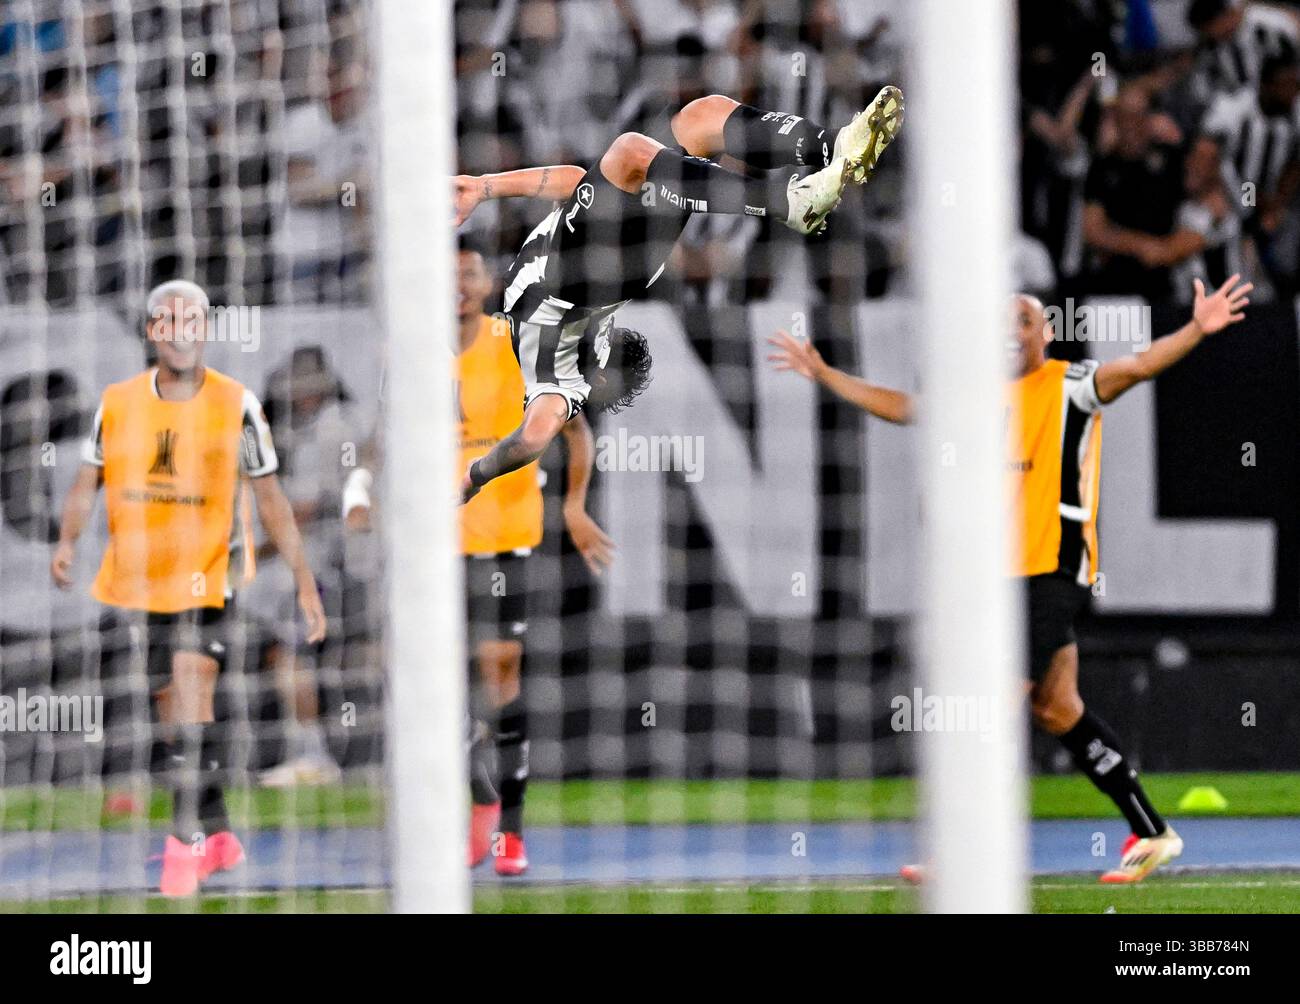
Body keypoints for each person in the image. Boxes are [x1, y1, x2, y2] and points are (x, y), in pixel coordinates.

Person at [767, 275, 1254, 883]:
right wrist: (824, 374)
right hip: (1001, 580)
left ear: (1047, 333)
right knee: (1057, 709)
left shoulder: (1073, 386)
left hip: (1052, 570)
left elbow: (1141, 364)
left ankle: (965, 851)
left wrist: (1196, 328)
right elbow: (905, 408)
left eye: (1021, 320)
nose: (1007, 331)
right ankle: (1153, 831)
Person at [453, 84, 906, 503]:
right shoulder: (557, 380)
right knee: (631, 149)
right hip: (583, 277)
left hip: (624, 251)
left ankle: (834, 146)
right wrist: (476, 475)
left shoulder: (542, 321)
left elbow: (576, 178)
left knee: (698, 119)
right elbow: (531, 438)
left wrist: (482, 186)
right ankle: (791, 203)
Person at [343, 242, 614, 877]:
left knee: (500, 676)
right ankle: (481, 803)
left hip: (504, 537)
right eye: (449, 275)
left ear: (489, 280)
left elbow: (572, 427)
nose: (460, 284)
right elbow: (380, 439)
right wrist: (358, 494)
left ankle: (510, 832)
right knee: (418, 683)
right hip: (431, 543)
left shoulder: (519, 344)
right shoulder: (408, 354)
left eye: (470, 273)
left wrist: (573, 506)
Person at [51, 279, 327, 897]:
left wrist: (305, 582)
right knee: (173, 716)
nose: (181, 330)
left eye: (192, 320)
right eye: (168, 320)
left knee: (190, 692)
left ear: (205, 330)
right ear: (153, 332)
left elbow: (271, 499)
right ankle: (222, 835)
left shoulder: (238, 404)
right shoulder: (118, 402)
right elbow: (84, 482)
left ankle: (184, 849)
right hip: (144, 581)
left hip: (211, 577)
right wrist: (68, 541)